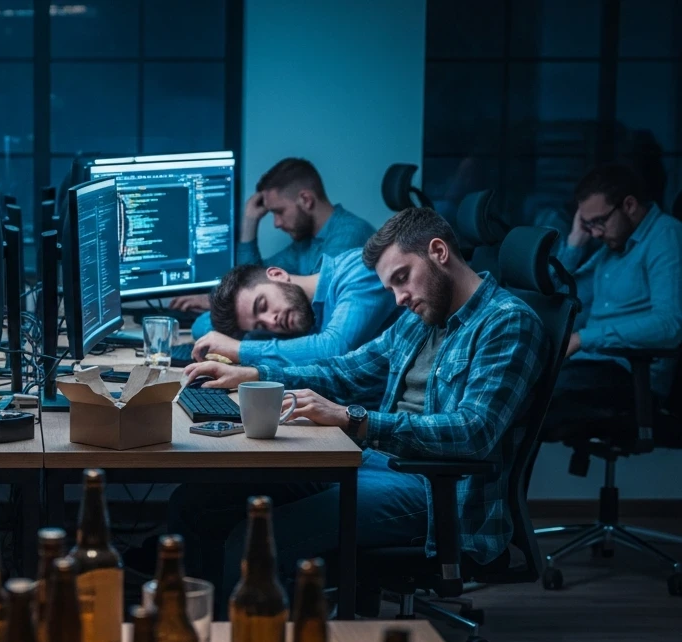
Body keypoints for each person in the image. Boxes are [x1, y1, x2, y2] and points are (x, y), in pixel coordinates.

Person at [172, 208, 548, 600]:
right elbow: (346, 371)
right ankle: (191, 632)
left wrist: (354, 420)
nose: (400, 298)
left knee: (257, 540)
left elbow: (473, 431)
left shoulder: (507, 323)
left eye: (402, 278)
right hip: (379, 462)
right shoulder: (422, 317)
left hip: (438, 491)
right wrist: (256, 373)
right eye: (391, 288)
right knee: (201, 501)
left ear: (438, 252)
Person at [543, 163, 682, 434]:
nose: (594, 232)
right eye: (588, 224)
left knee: (529, 400)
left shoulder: (666, 237)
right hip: (590, 369)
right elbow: (554, 293)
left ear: (629, 205)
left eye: (598, 222)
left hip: (631, 378)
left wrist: (584, 339)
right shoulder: (612, 246)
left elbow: (671, 325)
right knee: (512, 385)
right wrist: (574, 243)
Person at [176, 157, 374, 320]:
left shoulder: (350, 234)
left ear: (306, 200)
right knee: (204, 324)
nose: (276, 223)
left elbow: (319, 312)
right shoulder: (304, 244)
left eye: (279, 212)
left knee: (206, 325)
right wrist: (250, 221)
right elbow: (252, 278)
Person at [187, 248, 399, 366]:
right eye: (260, 325)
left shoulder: (356, 272)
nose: (271, 321)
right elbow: (201, 327)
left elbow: (334, 348)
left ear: (278, 274)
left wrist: (238, 349)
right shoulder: (304, 317)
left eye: (262, 305)